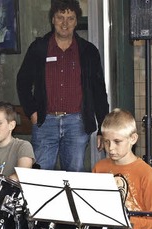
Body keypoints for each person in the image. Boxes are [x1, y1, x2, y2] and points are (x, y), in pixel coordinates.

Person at [16, 0, 109, 172]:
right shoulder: (39, 48)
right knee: (41, 178)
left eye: (70, 18)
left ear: (76, 21)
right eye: (60, 17)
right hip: (45, 122)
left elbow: (99, 92)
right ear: (53, 19)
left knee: (73, 179)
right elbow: (22, 82)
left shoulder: (89, 52)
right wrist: (32, 113)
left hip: (77, 124)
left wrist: (103, 128)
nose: (65, 23)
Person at [92, 108, 152, 229]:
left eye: (117, 142)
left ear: (133, 139)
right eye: (106, 141)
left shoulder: (146, 173)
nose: (110, 148)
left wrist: (126, 224)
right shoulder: (100, 167)